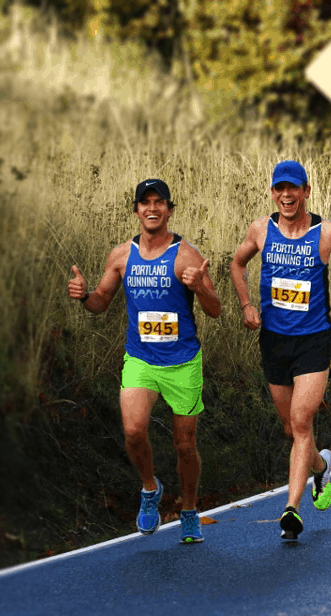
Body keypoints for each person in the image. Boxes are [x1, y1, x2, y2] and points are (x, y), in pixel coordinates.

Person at [67, 178, 222, 545]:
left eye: (159, 202)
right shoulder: (121, 256)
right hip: (141, 359)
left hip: (183, 361)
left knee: (185, 446)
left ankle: (188, 510)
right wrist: (83, 294)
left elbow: (215, 310)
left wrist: (200, 287)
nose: (152, 208)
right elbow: (100, 302)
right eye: (145, 202)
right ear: (136, 210)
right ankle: (150, 489)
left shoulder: (186, 255)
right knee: (134, 432)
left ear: (170, 209)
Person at [229, 160, 331, 541]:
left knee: (301, 421)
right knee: (291, 429)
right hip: (274, 340)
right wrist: (246, 305)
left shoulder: (327, 233)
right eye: (280, 189)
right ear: (274, 192)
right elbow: (237, 264)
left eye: (294, 188)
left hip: (313, 339)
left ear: (307, 191)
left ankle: (291, 510)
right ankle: (320, 468)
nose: (287, 195)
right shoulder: (261, 229)